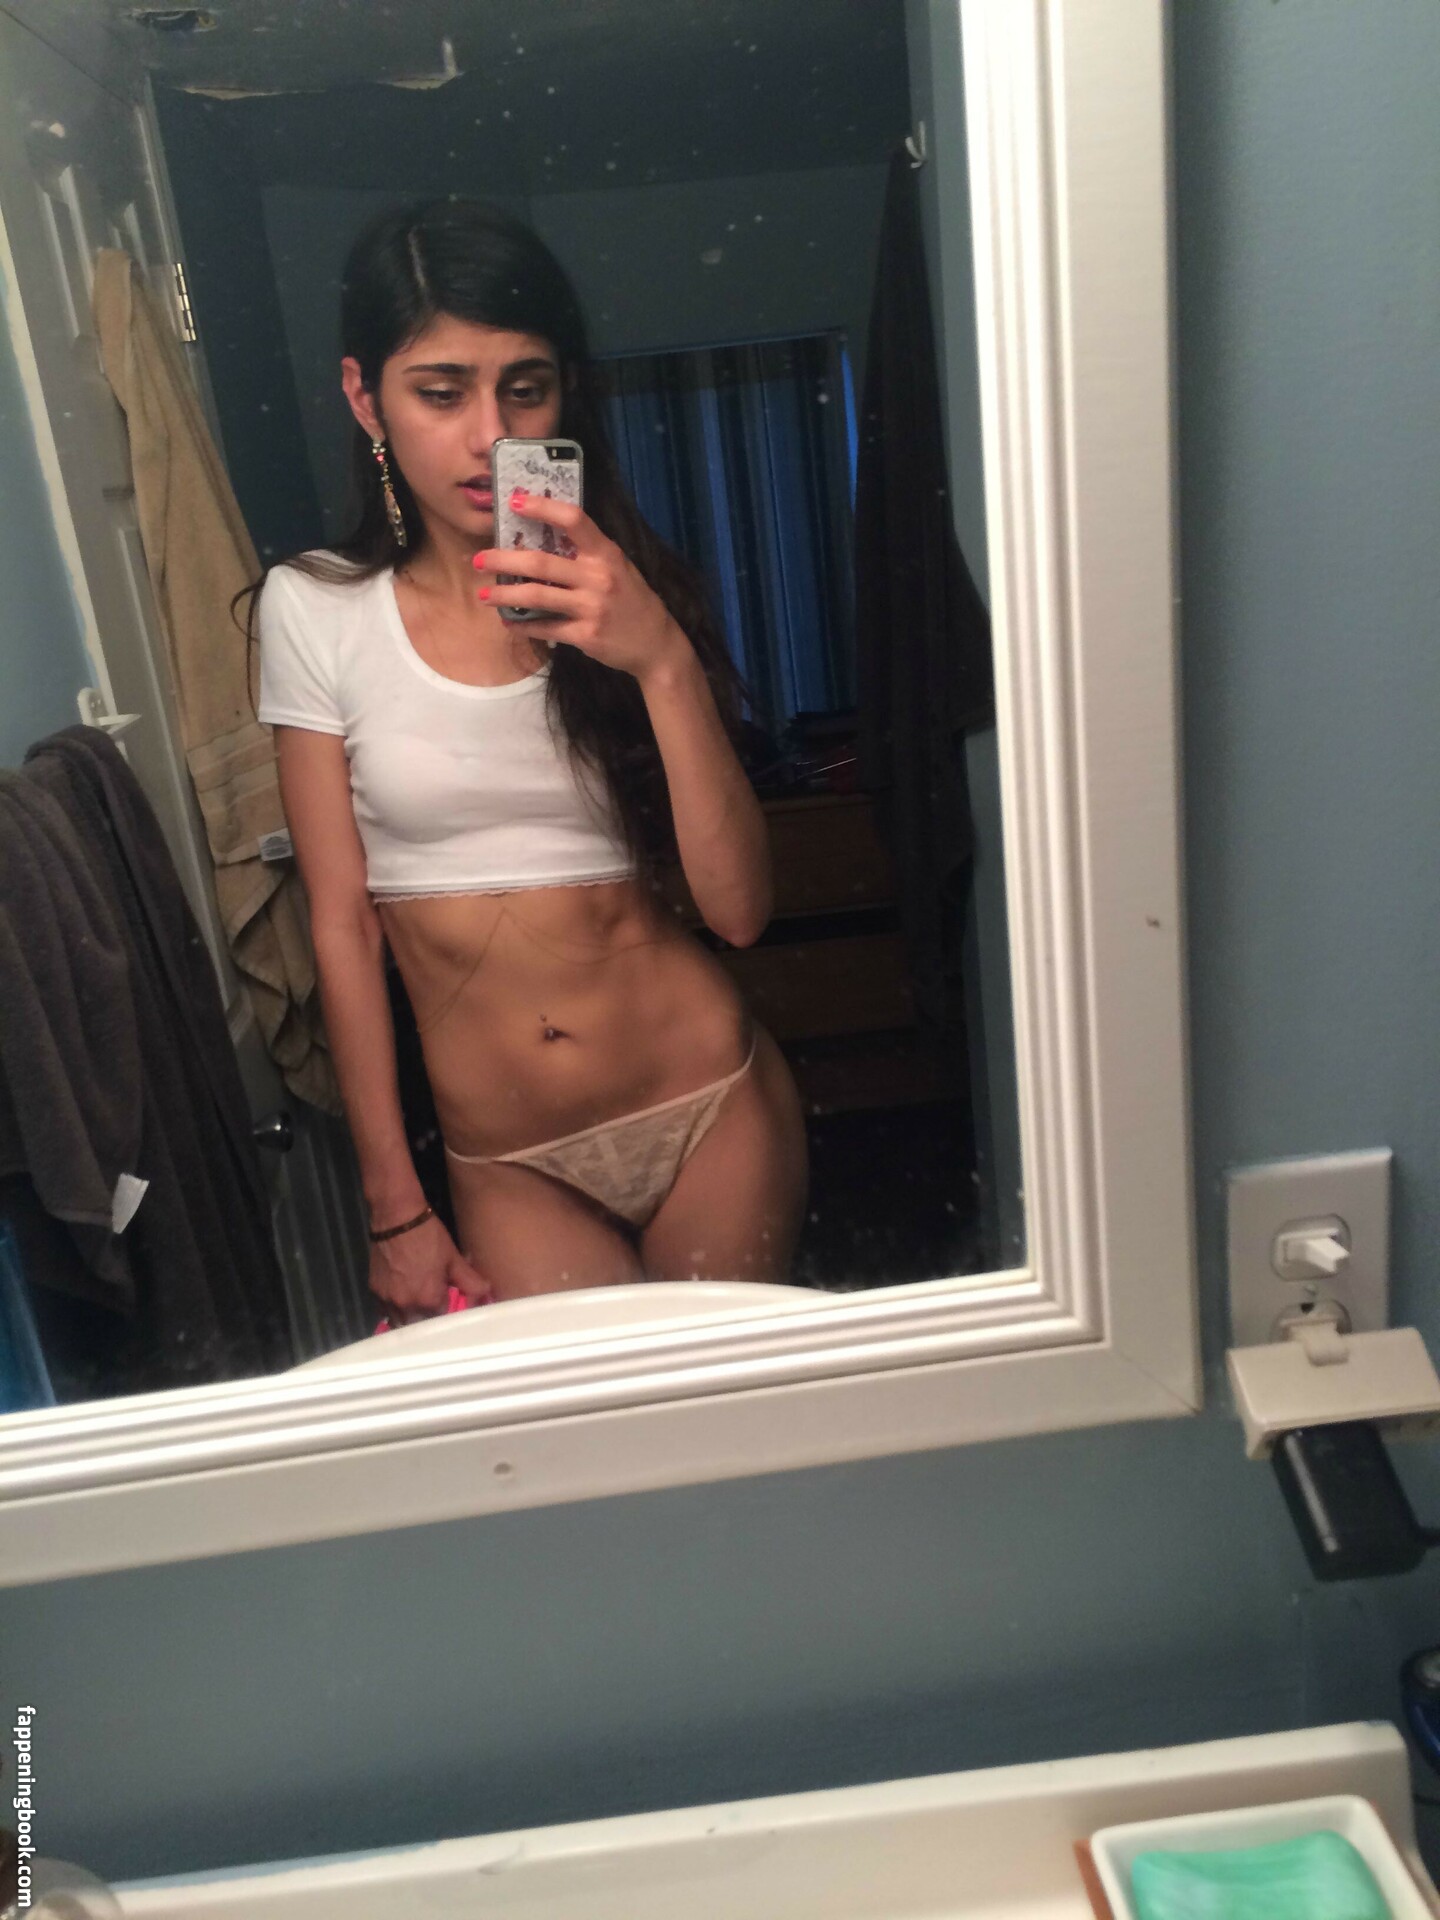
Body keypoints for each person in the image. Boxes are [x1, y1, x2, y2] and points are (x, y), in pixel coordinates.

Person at [252, 200, 808, 1320]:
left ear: (565, 396)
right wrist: (393, 1207)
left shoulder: (628, 598)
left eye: (525, 388)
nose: (488, 436)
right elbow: (343, 924)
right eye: (441, 391)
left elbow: (741, 912)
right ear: (365, 397)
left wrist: (659, 658)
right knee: (593, 1433)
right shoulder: (313, 610)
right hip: (511, 1162)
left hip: (709, 1102)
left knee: (728, 1418)